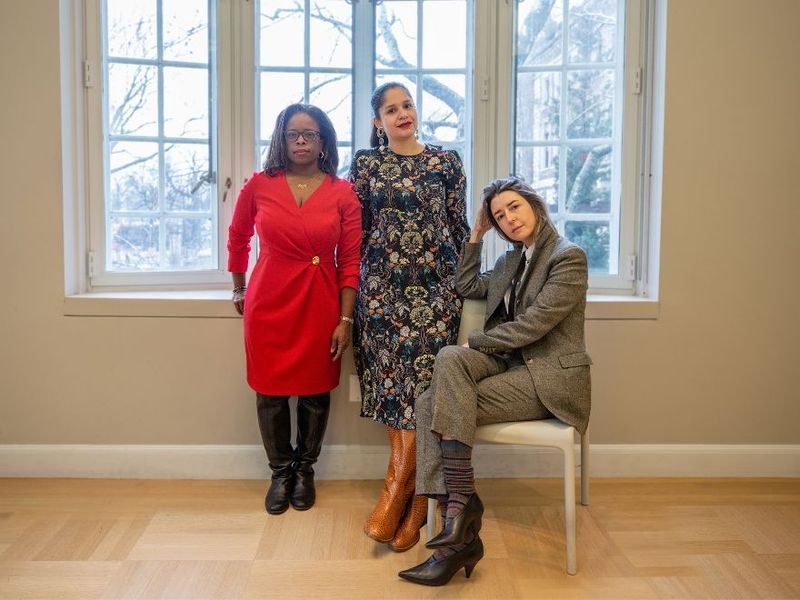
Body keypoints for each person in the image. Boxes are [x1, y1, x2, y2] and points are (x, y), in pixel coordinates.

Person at [398, 177, 592, 586]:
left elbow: (535, 325)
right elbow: (466, 285)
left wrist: (478, 340)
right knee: (450, 358)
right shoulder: (510, 262)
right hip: (507, 368)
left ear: (534, 206)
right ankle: (461, 507)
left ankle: (456, 532)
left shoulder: (567, 257)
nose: (509, 218)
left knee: (432, 404)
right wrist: (477, 233)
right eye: (500, 215)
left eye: (514, 207)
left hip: (546, 378)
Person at [349, 82, 470, 552]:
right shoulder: (366, 164)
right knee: (391, 387)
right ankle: (417, 500)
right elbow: (355, 229)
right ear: (378, 121)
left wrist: (467, 287)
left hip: (436, 292)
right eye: (391, 109)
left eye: (408, 105)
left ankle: (401, 494)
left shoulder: (446, 161)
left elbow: (459, 229)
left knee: (423, 390)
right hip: (380, 292)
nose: (403, 114)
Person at [227, 104, 361, 515]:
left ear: (324, 142)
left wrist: (345, 319)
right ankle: (280, 472)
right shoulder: (259, 185)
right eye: (293, 134)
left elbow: (352, 260)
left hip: (321, 303)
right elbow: (237, 237)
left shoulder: (343, 192)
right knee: (269, 393)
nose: (301, 141)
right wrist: (238, 289)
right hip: (268, 301)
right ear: (281, 139)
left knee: (315, 393)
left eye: (310, 134)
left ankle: (305, 471)